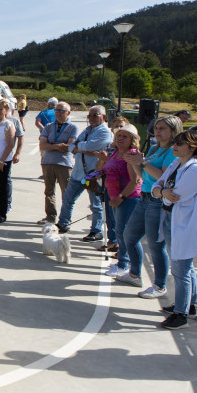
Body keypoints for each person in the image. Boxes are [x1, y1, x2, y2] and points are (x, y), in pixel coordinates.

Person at [152, 130, 197, 329]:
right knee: (183, 265)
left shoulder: (195, 169)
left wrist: (161, 192)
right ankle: (190, 305)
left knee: (180, 268)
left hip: (187, 221)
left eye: (180, 143)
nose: (175, 146)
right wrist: (162, 191)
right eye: (175, 142)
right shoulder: (176, 164)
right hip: (172, 218)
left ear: (192, 146)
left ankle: (180, 314)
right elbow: (158, 187)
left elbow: (177, 195)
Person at [116, 115, 183, 296]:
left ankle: (160, 285)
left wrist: (142, 163)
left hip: (157, 201)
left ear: (174, 131)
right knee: (129, 235)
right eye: (157, 128)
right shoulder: (154, 148)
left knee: (155, 244)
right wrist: (135, 163)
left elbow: (164, 176)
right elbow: (143, 174)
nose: (157, 131)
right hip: (145, 197)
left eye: (162, 128)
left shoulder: (172, 152)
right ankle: (135, 274)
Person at [57, 105, 113, 239]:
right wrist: (81, 148)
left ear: (103, 117)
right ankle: (63, 223)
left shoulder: (105, 132)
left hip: (93, 175)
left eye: (95, 115)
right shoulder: (87, 130)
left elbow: (86, 146)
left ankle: (96, 230)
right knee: (68, 198)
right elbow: (72, 145)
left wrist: (79, 147)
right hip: (78, 172)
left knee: (95, 204)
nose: (91, 118)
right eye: (89, 116)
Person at [98, 124, 143, 280]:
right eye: (118, 135)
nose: (120, 138)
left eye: (125, 136)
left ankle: (124, 265)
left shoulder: (131, 154)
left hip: (128, 199)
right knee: (119, 231)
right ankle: (123, 262)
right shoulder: (116, 152)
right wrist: (100, 168)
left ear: (132, 140)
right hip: (114, 197)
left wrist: (121, 197)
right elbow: (105, 169)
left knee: (124, 233)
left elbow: (135, 180)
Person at [37, 102, 78, 225]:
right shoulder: (49, 126)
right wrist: (57, 146)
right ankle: (50, 216)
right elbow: (42, 145)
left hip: (64, 163)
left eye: (61, 111)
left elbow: (69, 146)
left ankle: (65, 217)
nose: (58, 113)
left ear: (68, 113)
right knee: (49, 191)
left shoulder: (73, 127)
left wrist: (51, 145)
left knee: (66, 192)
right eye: (56, 111)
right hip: (48, 162)